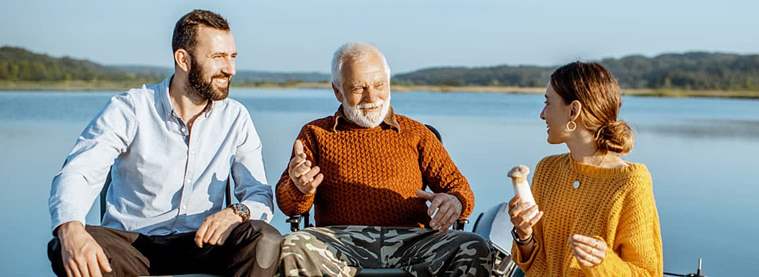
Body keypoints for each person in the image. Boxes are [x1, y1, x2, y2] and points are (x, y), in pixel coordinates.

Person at [46, 9, 281, 277]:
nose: (231, 69)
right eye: (218, 57)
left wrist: (237, 212)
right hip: (133, 246)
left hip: (204, 244)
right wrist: (71, 228)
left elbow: (259, 195)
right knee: (65, 244)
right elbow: (80, 171)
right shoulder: (130, 108)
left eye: (232, 56)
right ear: (183, 59)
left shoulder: (236, 117)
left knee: (264, 238)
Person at [275, 42, 492, 277]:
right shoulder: (315, 133)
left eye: (379, 85)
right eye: (359, 88)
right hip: (338, 241)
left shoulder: (417, 133)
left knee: (474, 246)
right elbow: (289, 207)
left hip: (411, 242)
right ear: (338, 90)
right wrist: (299, 189)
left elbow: (460, 189)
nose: (372, 97)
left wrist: (454, 202)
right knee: (292, 247)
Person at [508, 61, 663, 276]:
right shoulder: (547, 170)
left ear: (573, 111)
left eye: (548, 103)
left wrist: (603, 263)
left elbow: (647, 273)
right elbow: (532, 263)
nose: (542, 114)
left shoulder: (631, 181)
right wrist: (523, 235)